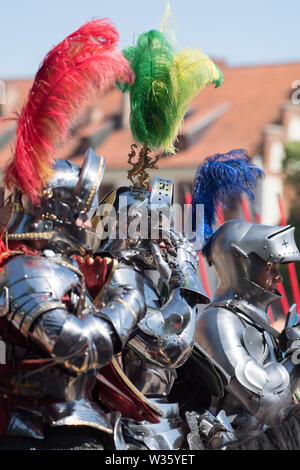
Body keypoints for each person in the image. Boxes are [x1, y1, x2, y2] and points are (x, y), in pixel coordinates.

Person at [0, 149, 148, 450]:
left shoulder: (52, 267)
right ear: (53, 213)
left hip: (71, 422)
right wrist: (129, 301)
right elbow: (76, 345)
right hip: (41, 430)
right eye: (80, 212)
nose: (86, 221)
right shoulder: (24, 270)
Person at [89, 176, 236, 450]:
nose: (164, 235)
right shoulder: (117, 279)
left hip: (162, 417)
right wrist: (186, 283)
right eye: (152, 224)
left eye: (163, 223)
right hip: (129, 425)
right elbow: (167, 349)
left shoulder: (149, 281)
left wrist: (177, 285)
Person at [194, 219, 300, 433]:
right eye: (270, 268)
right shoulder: (218, 321)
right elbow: (266, 405)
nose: (278, 277)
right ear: (242, 265)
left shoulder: (251, 320)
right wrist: (296, 357)